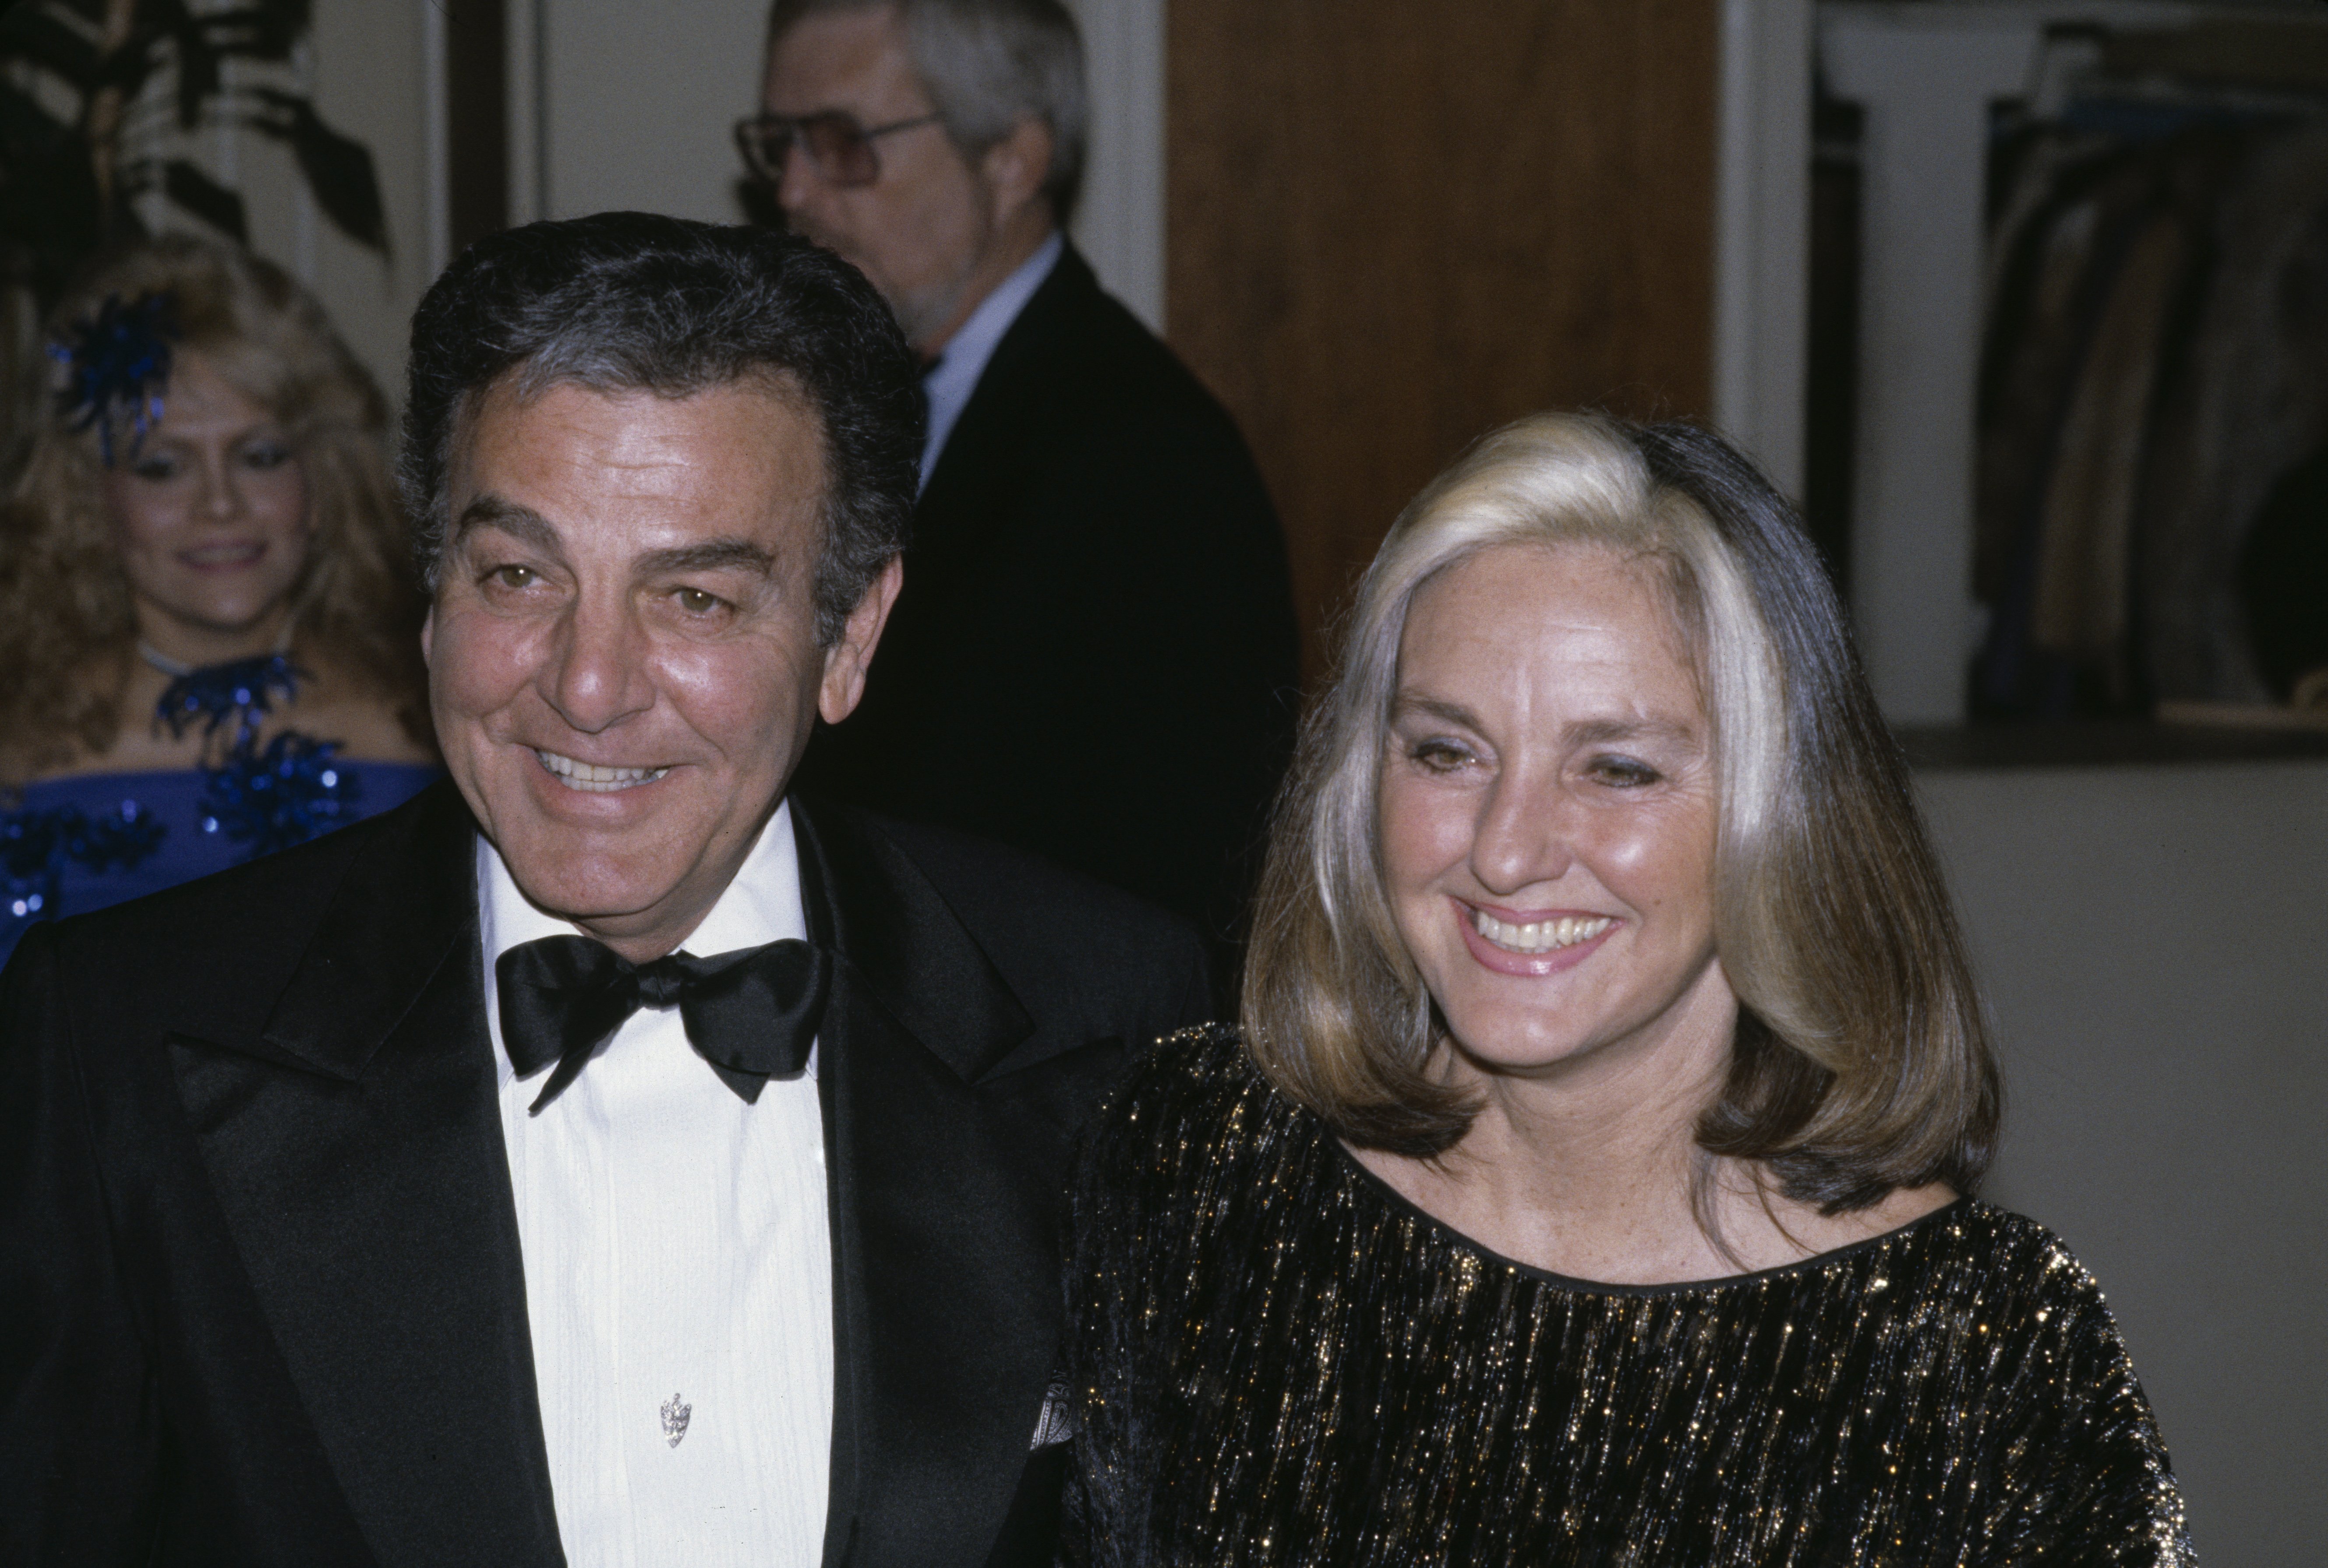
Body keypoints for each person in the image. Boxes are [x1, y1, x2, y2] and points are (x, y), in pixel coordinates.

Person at [0, 213, 1212, 1567]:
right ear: (431, 589)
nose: (585, 685)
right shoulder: (123, 1044)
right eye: (519, 574)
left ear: (848, 633)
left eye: (693, 597)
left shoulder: (1110, 1025)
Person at [1061, 413, 2195, 1564]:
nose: (1506, 850)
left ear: (1776, 816)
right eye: (1446, 750)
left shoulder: (1977, 1353)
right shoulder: (1201, 1166)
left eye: (1616, 768)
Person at [748, 0, 1299, 943]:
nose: (795, 189)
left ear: (1013, 158)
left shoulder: (1150, 457)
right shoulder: (824, 399)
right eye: (781, 142)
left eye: (842, 144)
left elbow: (1173, 892)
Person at [0, 235, 440, 965]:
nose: (220, 506)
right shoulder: (15, 741)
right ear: (90, 501)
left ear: (322, 484)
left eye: (260, 456)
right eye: (163, 466)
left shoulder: (439, 719)